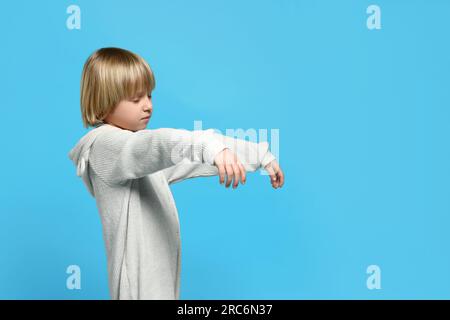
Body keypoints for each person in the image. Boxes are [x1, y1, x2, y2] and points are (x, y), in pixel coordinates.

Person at [68, 47, 285, 300]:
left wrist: (257, 155)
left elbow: (185, 154)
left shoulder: (140, 157)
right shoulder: (106, 146)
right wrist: (210, 149)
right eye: (136, 99)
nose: (148, 106)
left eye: (149, 95)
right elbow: (162, 143)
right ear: (103, 103)